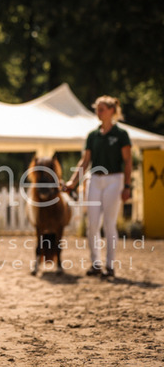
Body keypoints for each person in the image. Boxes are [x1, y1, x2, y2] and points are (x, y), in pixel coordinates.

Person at [64, 95, 132, 278]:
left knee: (109, 224)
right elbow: (85, 161)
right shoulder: (93, 135)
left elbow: (127, 161)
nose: (98, 112)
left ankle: (110, 264)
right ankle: (96, 263)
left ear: (112, 111)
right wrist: (72, 182)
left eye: (101, 109)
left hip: (114, 179)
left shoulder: (121, 134)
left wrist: (127, 185)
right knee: (92, 224)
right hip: (95, 179)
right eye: (97, 109)